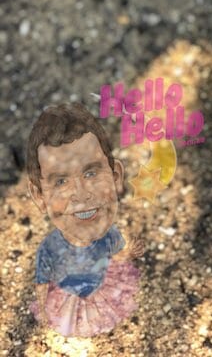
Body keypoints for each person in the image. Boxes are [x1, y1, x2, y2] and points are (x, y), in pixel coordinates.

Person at [26, 102, 145, 337]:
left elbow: (117, 261)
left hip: (101, 294)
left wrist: (129, 254)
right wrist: (43, 309)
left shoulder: (111, 234)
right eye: (61, 181)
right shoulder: (49, 248)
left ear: (116, 177)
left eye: (91, 173)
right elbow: (42, 282)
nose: (81, 194)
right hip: (68, 301)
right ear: (39, 196)